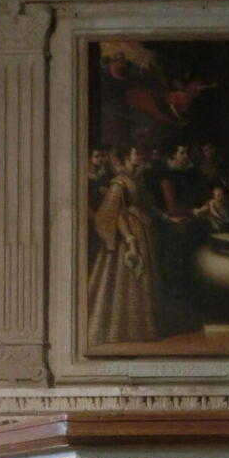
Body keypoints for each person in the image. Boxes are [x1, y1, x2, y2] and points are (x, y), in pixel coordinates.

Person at [88, 145, 160, 346]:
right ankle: (120, 331)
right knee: (125, 280)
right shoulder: (119, 181)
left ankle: (138, 330)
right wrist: (130, 240)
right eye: (136, 153)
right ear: (127, 157)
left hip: (141, 232)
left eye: (141, 153)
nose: (140, 156)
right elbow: (116, 213)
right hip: (127, 237)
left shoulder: (136, 179)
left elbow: (147, 206)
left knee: (139, 282)